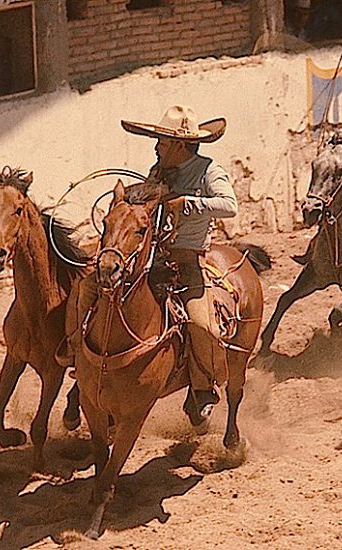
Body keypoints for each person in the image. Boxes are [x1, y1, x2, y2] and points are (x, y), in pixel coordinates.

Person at [62, 105, 237, 423]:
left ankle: (203, 386)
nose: (156, 146)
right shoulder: (158, 171)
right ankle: (77, 352)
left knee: (201, 324)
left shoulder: (209, 171)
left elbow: (229, 205)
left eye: (162, 141)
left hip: (186, 259)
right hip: (150, 258)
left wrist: (189, 203)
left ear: (180, 145)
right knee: (87, 288)